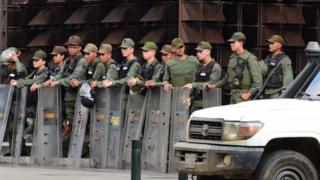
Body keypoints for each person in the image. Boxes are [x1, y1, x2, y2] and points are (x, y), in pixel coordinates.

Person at [44, 35, 87, 139]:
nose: (71, 49)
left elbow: (74, 76)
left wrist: (58, 82)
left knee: (80, 122)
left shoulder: (82, 61)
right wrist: (52, 80)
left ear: (79, 48)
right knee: (69, 122)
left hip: (79, 95)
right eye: (69, 47)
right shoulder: (68, 60)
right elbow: (60, 73)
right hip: (68, 96)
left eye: (74, 47)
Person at [207, 32, 262, 104]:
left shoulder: (250, 59)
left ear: (241, 43)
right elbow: (226, 78)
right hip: (232, 95)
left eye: (233, 42)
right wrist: (214, 86)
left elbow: (258, 81)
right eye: (230, 42)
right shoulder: (232, 58)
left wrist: (248, 94)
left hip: (243, 96)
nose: (231, 44)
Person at [10, 50, 50, 137]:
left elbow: (34, 81)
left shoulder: (46, 72)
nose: (34, 62)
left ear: (44, 61)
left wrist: (18, 83)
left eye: (37, 60)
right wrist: (17, 81)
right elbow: (27, 78)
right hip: (34, 104)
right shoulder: (35, 72)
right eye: (34, 60)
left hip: (43, 105)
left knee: (37, 129)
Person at [184, 41, 221, 113]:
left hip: (209, 103)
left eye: (200, 51)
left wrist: (193, 85)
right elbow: (195, 81)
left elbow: (210, 84)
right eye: (197, 52)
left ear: (208, 52)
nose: (198, 54)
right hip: (197, 102)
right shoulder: (199, 66)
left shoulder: (215, 66)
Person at [258, 35, 294, 99]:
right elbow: (259, 71)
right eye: (269, 44)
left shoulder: (285, 59)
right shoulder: (268, 58)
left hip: (277, 93)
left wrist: (284, 93)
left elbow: (288, 77)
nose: (269, 45)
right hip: (266, 92)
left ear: (279, 45)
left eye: (272, 43)